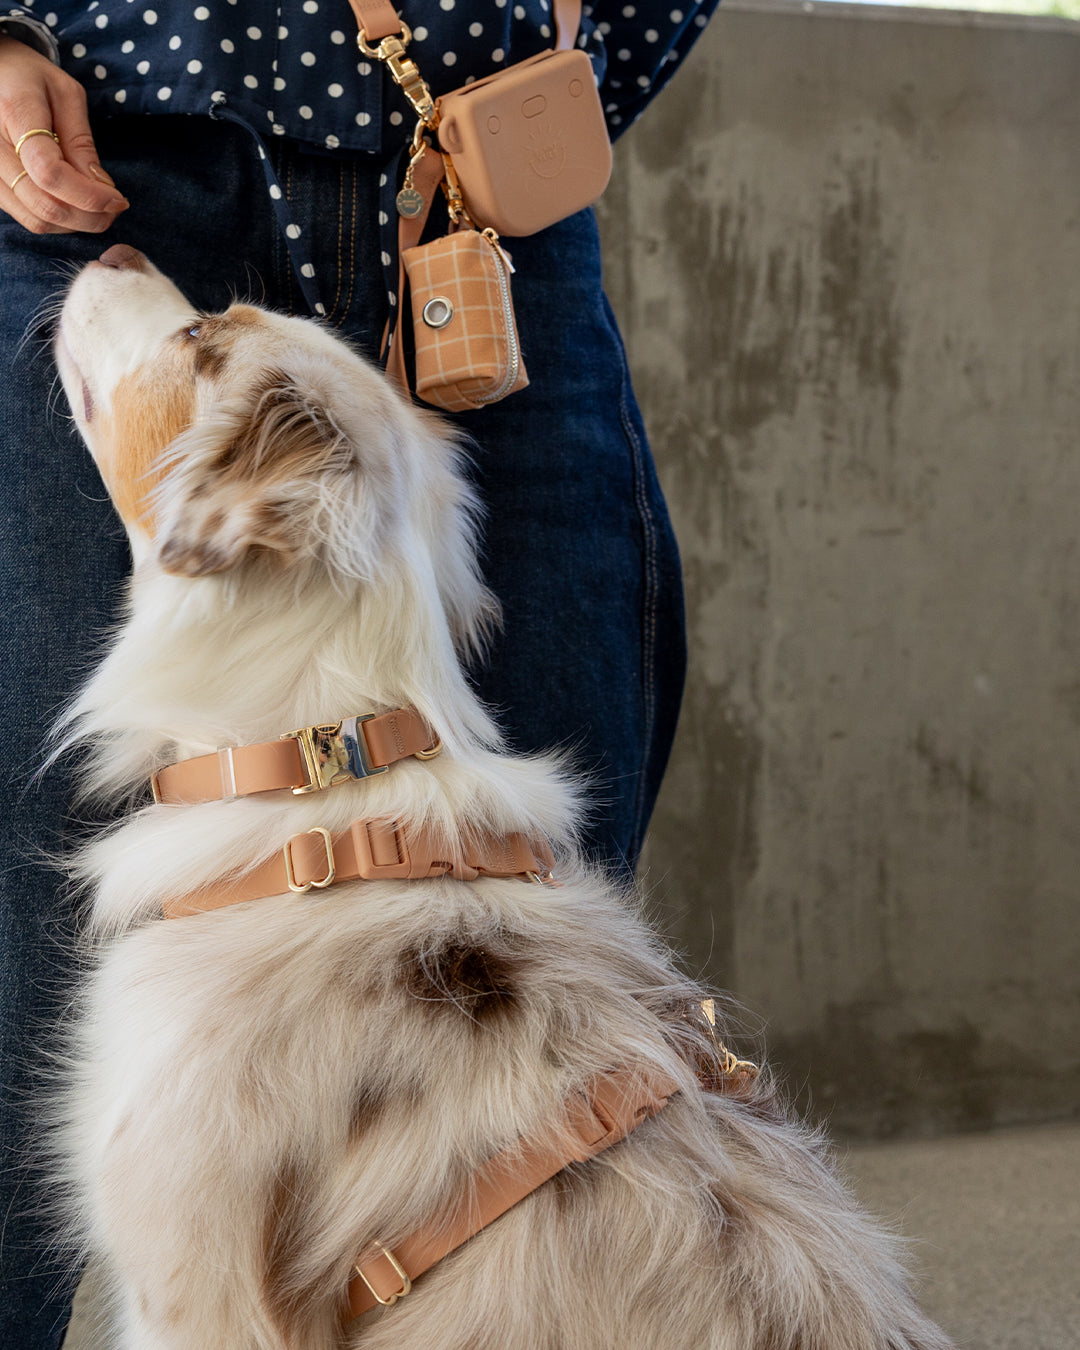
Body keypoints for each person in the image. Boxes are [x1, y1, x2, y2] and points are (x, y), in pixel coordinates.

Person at [0, 1, 717, 1342]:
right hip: (102, 134)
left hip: (491, 182)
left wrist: (567, 40)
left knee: (565, 1049)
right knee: (13, 946)